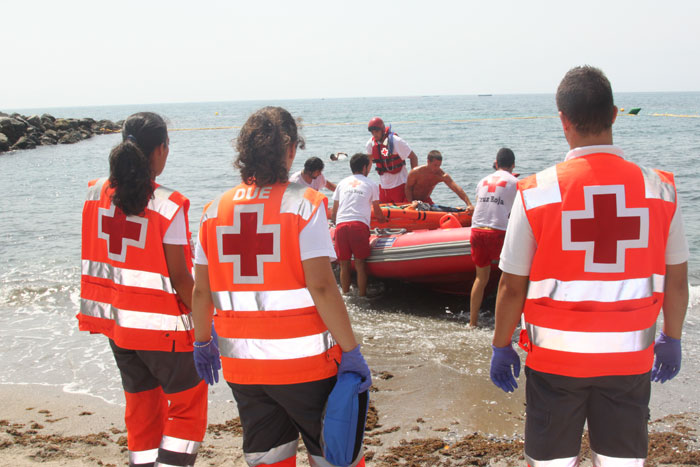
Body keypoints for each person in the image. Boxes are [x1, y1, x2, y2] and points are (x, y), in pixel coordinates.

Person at [490, 66, 689, 466]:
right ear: (615, 114)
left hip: (555, 365)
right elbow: (677, 281)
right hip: (629, 363)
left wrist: (501, 344)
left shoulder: (536, 192)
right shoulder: (661, 189)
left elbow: (512, 287)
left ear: (563, 120)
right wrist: (673, 336)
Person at [191, 106, 371, 467]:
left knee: (267, 457)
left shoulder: (213, 211)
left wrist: (201, 341)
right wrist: (351, 350)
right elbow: (322, 287)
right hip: (304, 368)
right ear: (290, 150)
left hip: (242, 368)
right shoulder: (304, 206)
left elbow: (201, 291)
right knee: (334, 457)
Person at [78, 112, 207, 467]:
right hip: (163, 331)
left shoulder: (94, 192)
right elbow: (182, 279)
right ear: (161, 149)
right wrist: (207, 326)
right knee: (186, 411)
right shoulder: (167, 205)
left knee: (142, 408)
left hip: (118, 328)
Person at [468, 148, 518, 327]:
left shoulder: (482, 181)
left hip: (477, 231)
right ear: (513, 165)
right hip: (498, 233)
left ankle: (472, 323)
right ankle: (504, 322)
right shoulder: (515, 182)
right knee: (510, 277)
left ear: (496, 164)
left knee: (481, 278)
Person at [331, 153, 387, 297]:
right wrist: (384, 221)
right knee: (360, 264)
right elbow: (378, 212)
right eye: (369, 165)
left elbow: (334, 212)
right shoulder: (371, 184)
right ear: (364, 167)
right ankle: (362, 296)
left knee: (344, 264)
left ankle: (345, 295)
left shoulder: (342, 183)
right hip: (358, 226)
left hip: (341, 225)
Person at [365, 117, 418, 203]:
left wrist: (414, 181)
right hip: (383, 188)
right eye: (372, 132)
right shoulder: (370, 144)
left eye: (377, 132)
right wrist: (363, 179)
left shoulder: (396, 141)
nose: (375, 134)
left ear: (382, 130)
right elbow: (368, 163)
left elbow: (413, 157)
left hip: (400, 185)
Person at [405, 150, 474, 210]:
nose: (437, 168)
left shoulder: (442, 175)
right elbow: (408, 188)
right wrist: (411, 203)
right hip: (410, 200)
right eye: (435, 165)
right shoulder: (416, 172)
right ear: (428, 161)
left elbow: (456, 189)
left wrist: (469, 204)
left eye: (439, 165)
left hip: (426, 201)